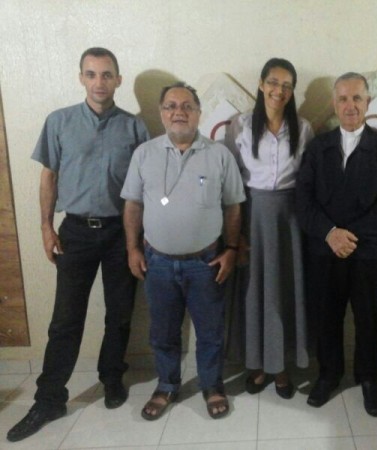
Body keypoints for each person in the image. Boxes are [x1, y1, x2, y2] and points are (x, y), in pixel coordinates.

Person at [7, 47, 149, 443]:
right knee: (66, 320)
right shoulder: (59, 122)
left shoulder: (135, 128)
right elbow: (48, 178)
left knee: (120, 314)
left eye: (107, 75)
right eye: (91, 74)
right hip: (75, 233)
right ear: (81, 78)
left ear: (118, 79)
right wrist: (45, 229)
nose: (99, 82)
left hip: (122, 233)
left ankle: (111, 379)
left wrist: (139, 239)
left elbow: (144, 189)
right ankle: (49, 398)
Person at [121, 82, 245, 420]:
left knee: (210, 332)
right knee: (162, 332)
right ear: (161, 113)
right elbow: (132, 205)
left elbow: (234, 207)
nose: (179, 112)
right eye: (172, 106)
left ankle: (212, 385)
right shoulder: (143, 154)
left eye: (187, 106)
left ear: (198, 113)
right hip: (157, 263)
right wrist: (132, 247)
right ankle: (167, 385)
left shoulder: (219, 155)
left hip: (205, 263)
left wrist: (232, 248)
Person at [296, 72, 377, 417]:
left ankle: (369, 379)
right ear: (334, 103)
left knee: (367, 318)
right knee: (327, 317)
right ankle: (329, 374)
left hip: (368, 252)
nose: (350, 105)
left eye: (357, 98)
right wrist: (330, 233)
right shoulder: (317, 147)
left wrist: (347, 236)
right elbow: (303, 200)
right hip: (324, 251)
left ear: (368, 102)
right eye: (343, 98)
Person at [224, 58, 314, 398]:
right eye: (273, 82)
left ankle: (283, 367)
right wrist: (237, 233)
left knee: (286, 292)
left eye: (287, 85)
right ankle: (258, 365)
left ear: (292, 92)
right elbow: (232, 180)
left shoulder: (303, 128)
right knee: (255, 291)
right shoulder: (241, 125)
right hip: (252, 215)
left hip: (290, 219)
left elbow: (308, 180)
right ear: (261, 84)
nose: (279, 90)